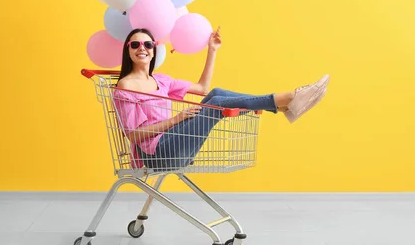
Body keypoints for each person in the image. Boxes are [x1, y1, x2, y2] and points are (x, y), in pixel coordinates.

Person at [112, 28, 329, 171]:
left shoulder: (162, 80)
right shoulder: (126, 86)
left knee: (216, 94)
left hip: (174, 140)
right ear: (128, 50)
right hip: (157, 153)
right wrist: (177, 119)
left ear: (153, 50)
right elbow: (133, 136)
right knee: (218, 104)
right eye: (135, 45)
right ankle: (288, 99)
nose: (142, 49)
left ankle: (284, 105)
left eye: (148, 45)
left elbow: (203, 88)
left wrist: (212, 50)